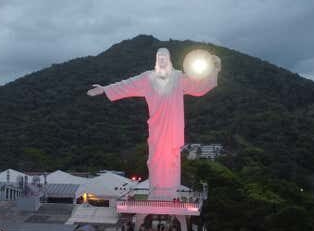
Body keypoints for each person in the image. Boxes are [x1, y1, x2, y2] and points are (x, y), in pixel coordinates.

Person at [87, 48, 220, 198]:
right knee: (155, 160)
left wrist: (214, 69)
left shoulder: (178, 77)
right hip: (157, 127)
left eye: (165, 56)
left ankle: (171, 195)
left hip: (173, 127)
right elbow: (126, 85)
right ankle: (156, 194)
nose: (162, 59)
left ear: (169, 59)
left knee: (172, 161)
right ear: (156, 59)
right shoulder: (147, 78)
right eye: (159, 56)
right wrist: (105, 89)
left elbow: (198, 87)